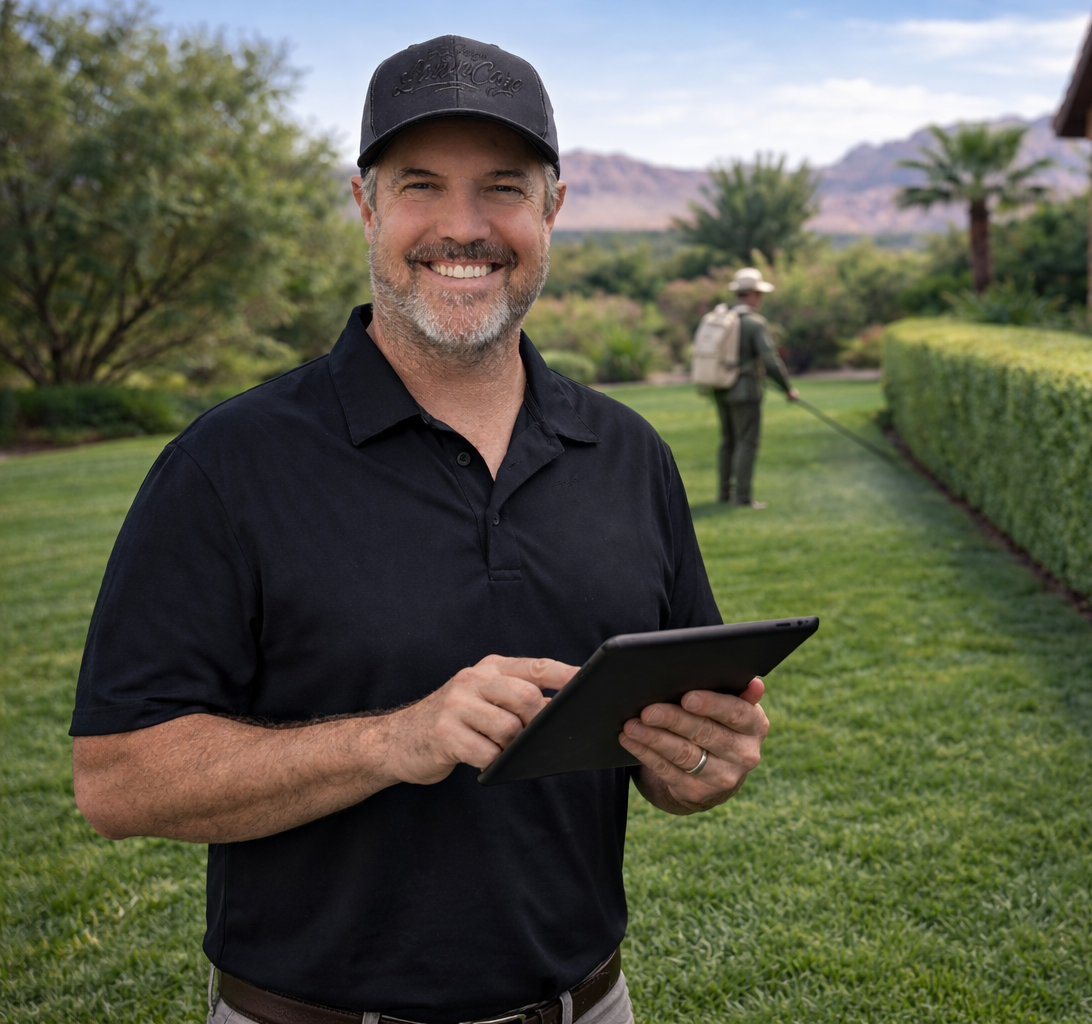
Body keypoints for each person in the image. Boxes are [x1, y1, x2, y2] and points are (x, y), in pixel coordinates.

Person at [68, 36, 770, 1024]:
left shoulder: (628, 453)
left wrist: (697, 764)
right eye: (421, 185)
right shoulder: (228, 465)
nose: (464, 227)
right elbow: (115, 780)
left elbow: (669, 751)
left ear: (552, 209)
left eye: (503, 188)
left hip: (589, 1004)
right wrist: (394, 739)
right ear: (365, 204)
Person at [711, 269, 799, 509]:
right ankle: (743, 497)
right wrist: (787, 388)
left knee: (727, 440)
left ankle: (723, 493)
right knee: (746, 442)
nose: (760, 299)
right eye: (759, 294)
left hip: (720, 387)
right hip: (745, 391)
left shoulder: (722, 318)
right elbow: (770, 361)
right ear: (750, 295)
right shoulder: (754, 322)